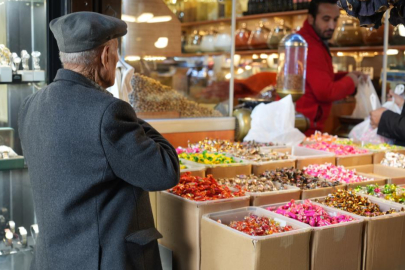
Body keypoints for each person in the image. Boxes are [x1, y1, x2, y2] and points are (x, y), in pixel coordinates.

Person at [18, 12, 179, 270]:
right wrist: (123, 105)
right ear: (105, 55)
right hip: (106, 262)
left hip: (52, 261)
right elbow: (165, 171)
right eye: (116, 54)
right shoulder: (109, 113)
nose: (117, 61)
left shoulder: (30, 106)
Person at [295, 0, 366, 135]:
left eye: (335, 19)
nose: (332, 26)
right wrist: (350, 81)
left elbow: (321, 77)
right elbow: (325, 92)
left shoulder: (312, 40)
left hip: (302, 125)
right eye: (326, 19)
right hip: (302, 128)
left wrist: (347, 75)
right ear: (311, 18)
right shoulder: (310, 45)